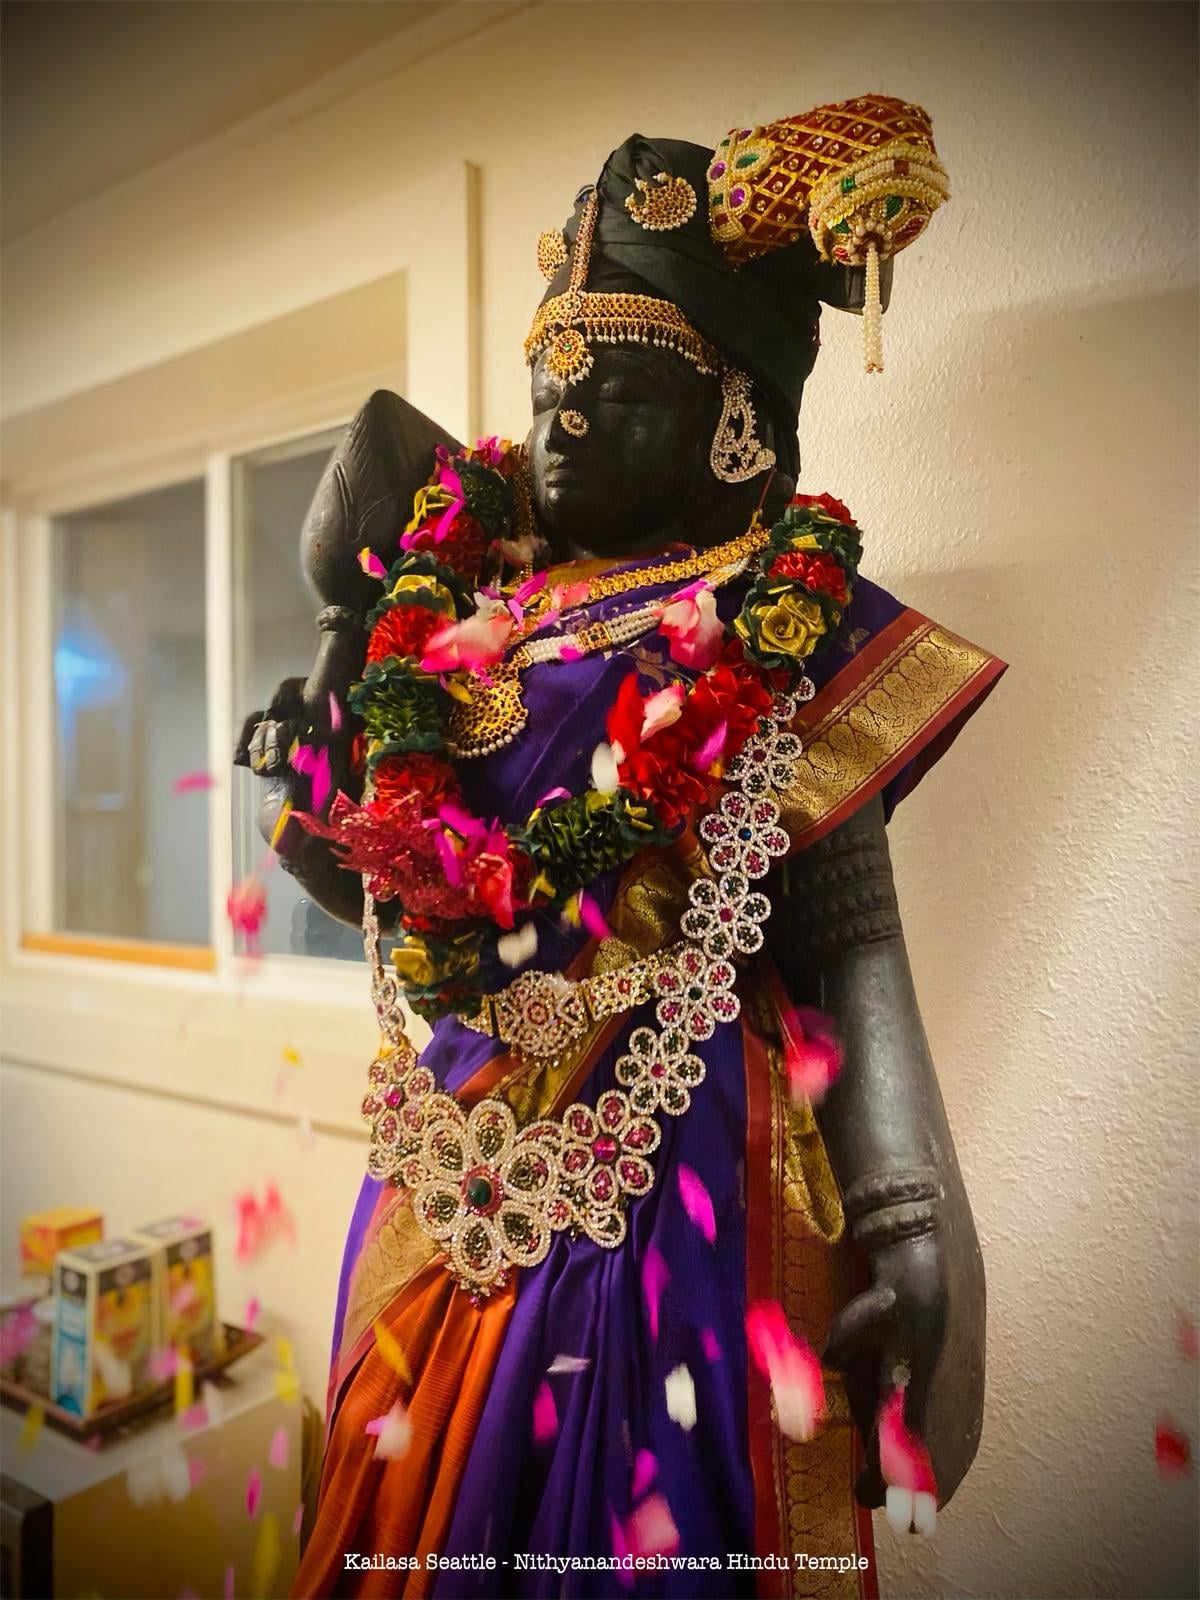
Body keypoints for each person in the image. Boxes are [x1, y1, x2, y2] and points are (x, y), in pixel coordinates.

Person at [236, 95, 1006, 1600]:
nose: (563, 420)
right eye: (548, 387)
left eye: (617, 391)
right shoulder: (480, 612)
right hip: (449, 1163)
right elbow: (380, 894)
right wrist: (326, 711)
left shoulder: (780, 621)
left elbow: (853, 944)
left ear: (737, 420)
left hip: (662, 1178)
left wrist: (920, 1224)